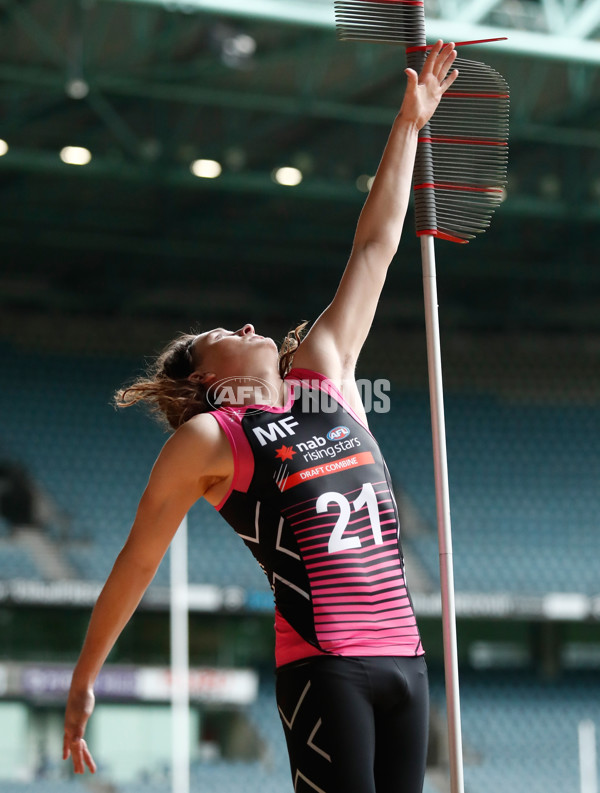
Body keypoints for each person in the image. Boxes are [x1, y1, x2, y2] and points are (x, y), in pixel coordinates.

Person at [63, 41, 458, 793]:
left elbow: (375, 245)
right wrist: (85, 678)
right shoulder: (214, 438)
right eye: (225, 336)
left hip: (406, 660)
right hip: (324, 668)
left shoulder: (328, 376)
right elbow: (138, 560)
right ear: (210, 383)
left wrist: (409, 125)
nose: (248, 327)